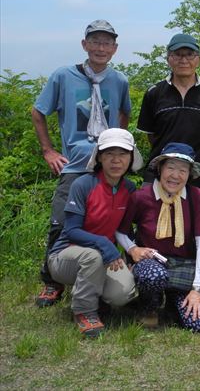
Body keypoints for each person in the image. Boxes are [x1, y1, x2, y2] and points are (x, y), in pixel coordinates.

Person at [32, 19, 131, 308]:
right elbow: (38, 112)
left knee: (109, 221)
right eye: (95, 42)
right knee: (61, 223)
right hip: (75, 165)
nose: (101, 48)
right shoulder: (63, 76)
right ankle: (52, 281)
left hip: (107, 166)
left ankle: (105, 274)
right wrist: (49, 151)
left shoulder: (119, 80)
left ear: (115, 48)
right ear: (84, 45)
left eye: (107, 43)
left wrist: (116, 142)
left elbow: (124, 113)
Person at [48, 128, 143, 337]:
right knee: (92, 256)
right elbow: (71, 230)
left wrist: (130, 255)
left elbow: (125, 230)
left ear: (131, 158)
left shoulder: (129, 188)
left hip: (104, 257)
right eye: (109, 154)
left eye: (123, 154)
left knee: (122, 294)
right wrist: (103, 243)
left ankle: (96, 296)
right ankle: (85, 311)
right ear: (99, 157)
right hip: (65, 256)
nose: (116, 160)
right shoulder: (83, 184)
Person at [116, 143, 200, 332]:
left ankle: (173, 302)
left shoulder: (196, 196)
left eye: (183, 170)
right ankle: (149, 306)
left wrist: (197, 289)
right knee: (154, 276)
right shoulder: (141, 196)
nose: (176, 175)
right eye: (170, 167)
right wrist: (132, 249)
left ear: (189, 174)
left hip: (184, 265)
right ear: (160, 168)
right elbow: (120, 230)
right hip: (152, 263)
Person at [137, 34, 200, 195]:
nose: (183, 60)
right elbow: (151, 136)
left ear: (199, 59)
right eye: (177, 54)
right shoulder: (154, 93)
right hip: (158, 174)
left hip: (197, 175)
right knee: (152, 211)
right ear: (168, 59)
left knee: (194, 212)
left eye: (189, 55)